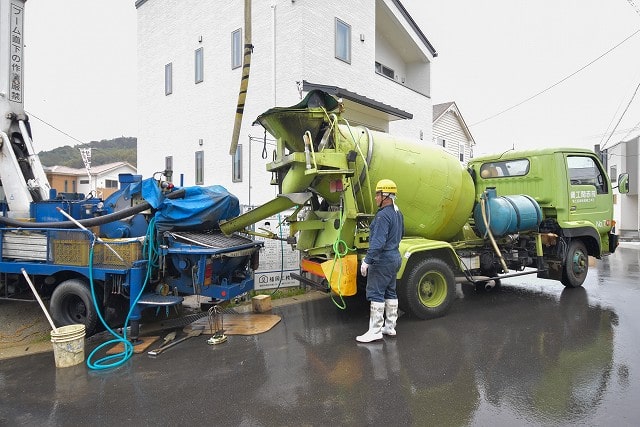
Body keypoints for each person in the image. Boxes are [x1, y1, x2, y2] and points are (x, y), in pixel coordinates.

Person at [357, 179, 404, 343]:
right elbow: (400, 234)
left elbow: (378, 242)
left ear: (386, 196)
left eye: (378, 194)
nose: (376, 197)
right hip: (395, 257)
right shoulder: (398, 213)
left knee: (376, 293)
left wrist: (367, 261)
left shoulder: (382, 216)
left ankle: (375, 331)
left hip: (383, 260)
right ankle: (390, 327)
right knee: (390, 291)